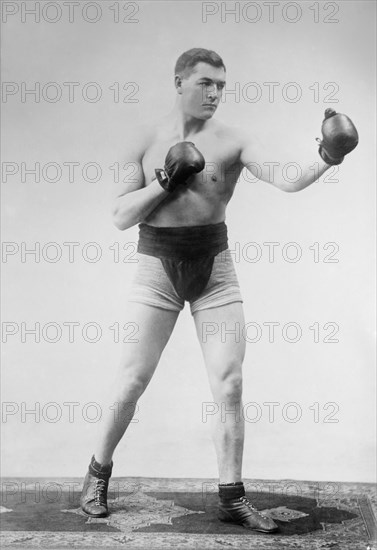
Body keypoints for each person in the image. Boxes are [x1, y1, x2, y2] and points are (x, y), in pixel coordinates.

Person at [80, 48, 358, 533]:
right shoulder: (144, 139)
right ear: (179, 82)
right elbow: (121, 216)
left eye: (222, 86)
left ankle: (232, 497)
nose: (215, 93)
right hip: (156, 269)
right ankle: (97, 475)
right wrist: (166, 178)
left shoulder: (233, 142)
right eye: (206, 82)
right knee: (131, 380)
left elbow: (286, 180)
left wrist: (326, 156)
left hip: (215, 269)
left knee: (229, 382)